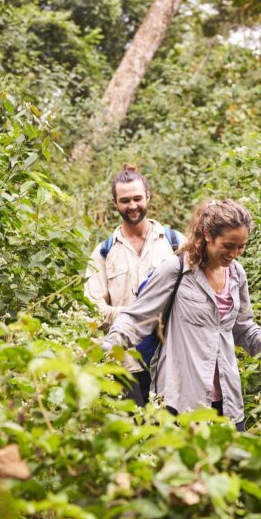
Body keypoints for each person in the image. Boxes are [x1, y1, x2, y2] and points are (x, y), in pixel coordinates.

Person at [101, 200, 261, 431]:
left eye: (241, 246)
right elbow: (136, 319)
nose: (234, 254)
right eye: (228, 245)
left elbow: (244, 328)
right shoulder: (176, 271)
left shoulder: (237, 274)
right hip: (180, 399)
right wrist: (105, 349)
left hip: (227, 401)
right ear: (206, 234)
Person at [85, 164, 184, 401]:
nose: (132, 206)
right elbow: (91, 307)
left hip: (170, 362)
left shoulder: (175, 243)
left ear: (148, 197)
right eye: (125, 200)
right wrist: (133, 315)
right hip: (124, 364)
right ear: (114, 203)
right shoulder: (104, 252)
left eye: (138, 198)